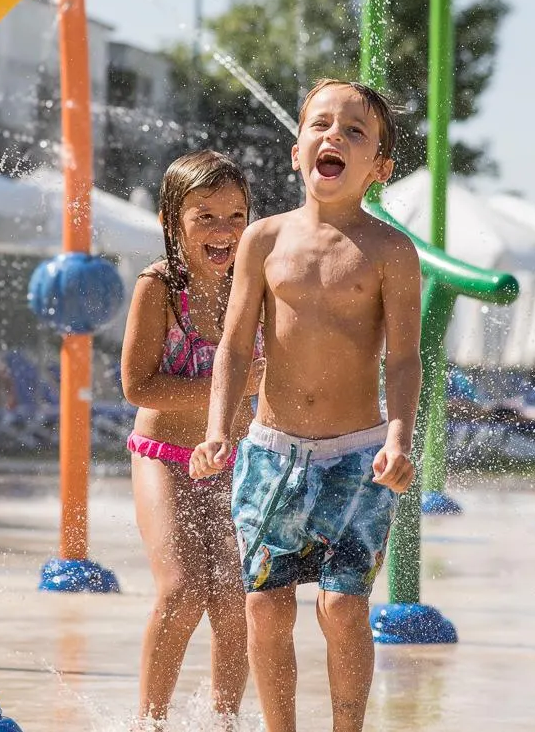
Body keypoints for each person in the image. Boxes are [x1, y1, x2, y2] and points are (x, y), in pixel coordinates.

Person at [190, 78, 422, 732]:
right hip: (271, 453)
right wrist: (216, 430)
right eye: (321, 124)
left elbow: (403, 358)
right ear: (296, 150)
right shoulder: (263, 240)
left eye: (355, 131)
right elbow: (234, 347)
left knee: (343, 609)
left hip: (358, 456)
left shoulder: (389, 250)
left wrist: (399, 437)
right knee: (266, 608)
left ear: (379, 168)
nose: (334, 137)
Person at [120, 150, 263, 727]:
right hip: (165, 456)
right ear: (172, 221)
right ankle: (150, 723)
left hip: (232, 459)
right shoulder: (159, 288)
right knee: (182, 592)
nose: (224, 231)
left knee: (235, 601)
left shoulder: (256, 287)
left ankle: (222, 723)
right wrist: (225, 386)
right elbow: (137, 386)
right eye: (205, 216)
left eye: (236, 216)